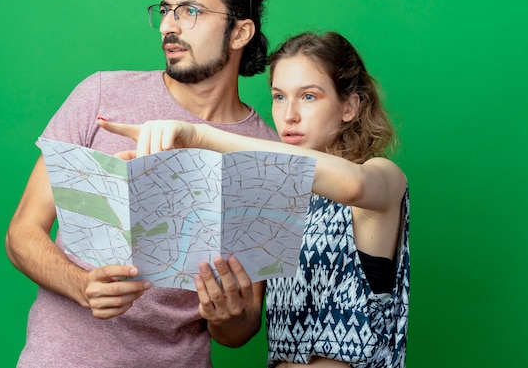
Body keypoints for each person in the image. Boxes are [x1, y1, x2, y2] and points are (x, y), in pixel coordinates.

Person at [5, 0, 278, 368]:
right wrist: (82, 286)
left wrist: (231, 317)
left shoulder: (265, 152)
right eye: (166, 11)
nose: (169, 26)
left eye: (191, 11)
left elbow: (241, 328)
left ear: (240, 32)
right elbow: (22, 233)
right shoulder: (101, 95)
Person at [99, 31, 410, 368]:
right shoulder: (273, 200)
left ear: (349, 106)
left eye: (308, 96)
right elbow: (241, 325)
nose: (289, 114)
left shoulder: (384, 179)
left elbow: (351, 185)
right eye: (279, 96)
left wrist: (199, 136)